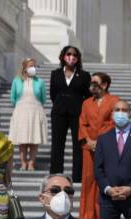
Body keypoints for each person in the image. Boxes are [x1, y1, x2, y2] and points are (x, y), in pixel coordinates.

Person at [78, 72, 119, 219]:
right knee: (88, 179)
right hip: (89, 147)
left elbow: (113, 123)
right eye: (91, 82)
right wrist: (88, 140)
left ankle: (102, 213)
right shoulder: (87, 102)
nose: (92, 85)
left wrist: (100, 141)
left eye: (96, 82)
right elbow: (82, 122)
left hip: (106, 146)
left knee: (103, 179)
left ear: (104, 84)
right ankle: (87, 214)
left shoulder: (114, 101)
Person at [49, 46, 91, 181]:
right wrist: (61, 102)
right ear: (63, 56)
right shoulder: (55, 73)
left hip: (77, 113)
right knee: (57, 144)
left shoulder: (84, 75)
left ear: (78, 58)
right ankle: (56, 174)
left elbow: (87, 95)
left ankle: (78, 177)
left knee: (78, 146)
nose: (71, 57)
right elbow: (53, 94)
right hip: (59, 112)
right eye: (68, 54)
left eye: (74, 55)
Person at [9, 58, 47, 171]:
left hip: (36, 110)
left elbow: (43, 98)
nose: (33, 68)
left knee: (34, 140)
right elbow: (13, 98)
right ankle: (23, 163)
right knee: (22, 140)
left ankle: (31, 163)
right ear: (24, 67)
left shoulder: (40, 81)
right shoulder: (17, 81)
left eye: (34, 66)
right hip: (21, 111)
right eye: (30, 66)